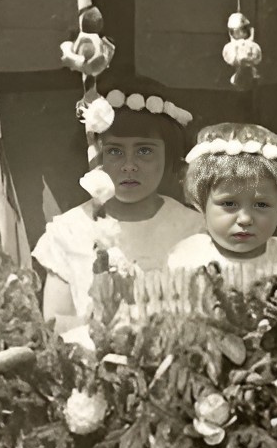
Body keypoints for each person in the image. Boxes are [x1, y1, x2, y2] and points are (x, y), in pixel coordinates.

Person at [34, 79, 201, 335]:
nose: (129, 165)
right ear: (95, 155)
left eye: (145, 151)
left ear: (168, 156)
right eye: (115, 152)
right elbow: (55, 323)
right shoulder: (68, 231)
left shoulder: (194, 229)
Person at [169, 122, 277, 289]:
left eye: (261, 205)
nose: (245, 219)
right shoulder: (187, 257)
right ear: (202, 203)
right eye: (229, 203)